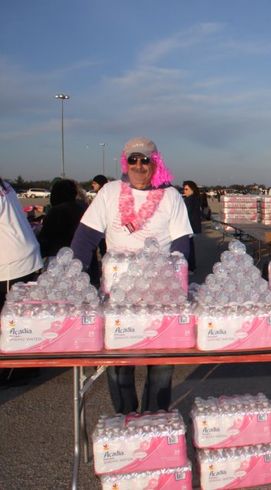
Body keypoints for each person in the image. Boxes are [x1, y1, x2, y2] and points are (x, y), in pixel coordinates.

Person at [71, 137, 192, 414]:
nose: (139, 165)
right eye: (133, 159)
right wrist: (74, 283)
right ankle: (127, 423)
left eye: (145, 160)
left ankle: (154, 422)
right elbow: (84, 241)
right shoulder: (110, 192)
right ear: (125, 163)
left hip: (160, 295)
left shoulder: (171, 196)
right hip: (118, 298)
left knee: (161, 367)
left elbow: (182, 245)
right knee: (120, 367)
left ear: (156, 163)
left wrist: (177, 287)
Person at [1, 178, 44, 386]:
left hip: (12, 264)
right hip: (23, 258)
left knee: (11, 321)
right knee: (23, 317)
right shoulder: (4, 185)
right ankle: (26, 365)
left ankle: (15, 370)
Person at [37, 179, 86, 258]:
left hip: (59, 255)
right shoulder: (81, 208)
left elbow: (44, 239)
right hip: (80, 253)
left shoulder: (56, 211)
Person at [182, 180, 202, 272]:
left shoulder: (190, 199)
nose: (184, 191)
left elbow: (187, 213)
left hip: (189, 227)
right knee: (190, 247)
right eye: (184, 189)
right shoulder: (195, 198)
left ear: (192, 189)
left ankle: (190, 267)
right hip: (192, 227)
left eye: (186, 189)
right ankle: (191, 266)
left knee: (188, 248)